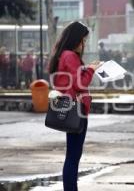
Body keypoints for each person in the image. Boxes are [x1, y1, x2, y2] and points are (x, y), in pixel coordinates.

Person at [48, 21, 102, 191]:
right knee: (73, 155)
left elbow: (70, 79)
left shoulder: (63, 55)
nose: (83, 44)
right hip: (76, 110)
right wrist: (91, 70)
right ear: (75, 40)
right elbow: (79, 83)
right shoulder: (70, 56)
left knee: (72, 154)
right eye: (82, 40)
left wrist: (86, 68)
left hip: (72, 108)